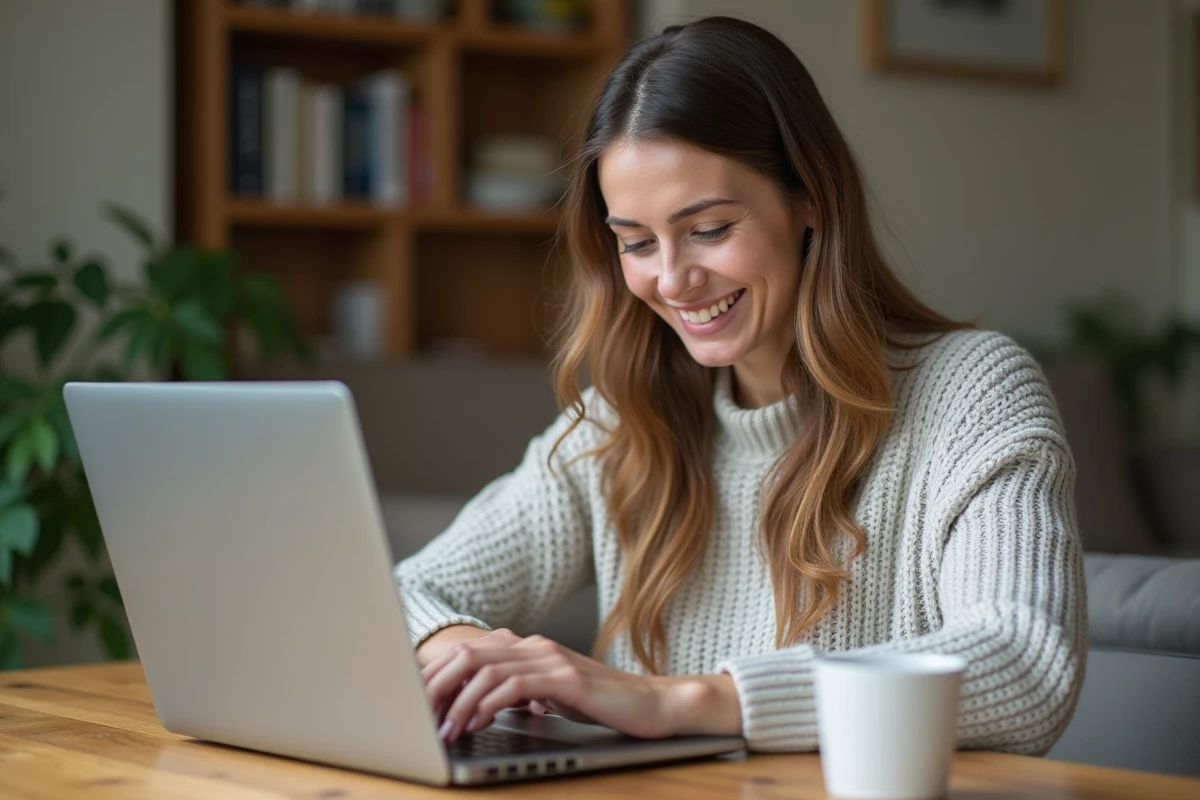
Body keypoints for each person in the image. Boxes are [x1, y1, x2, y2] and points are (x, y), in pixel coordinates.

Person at [396, 16, 1085, 755]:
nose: (671, 279)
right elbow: (405, 594)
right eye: (634, 242)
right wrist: (470, 655)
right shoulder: (620, 423)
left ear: (809, 198)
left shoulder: (973, 392)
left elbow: (1025, 667)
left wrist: (682, 700)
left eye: (711, 228)